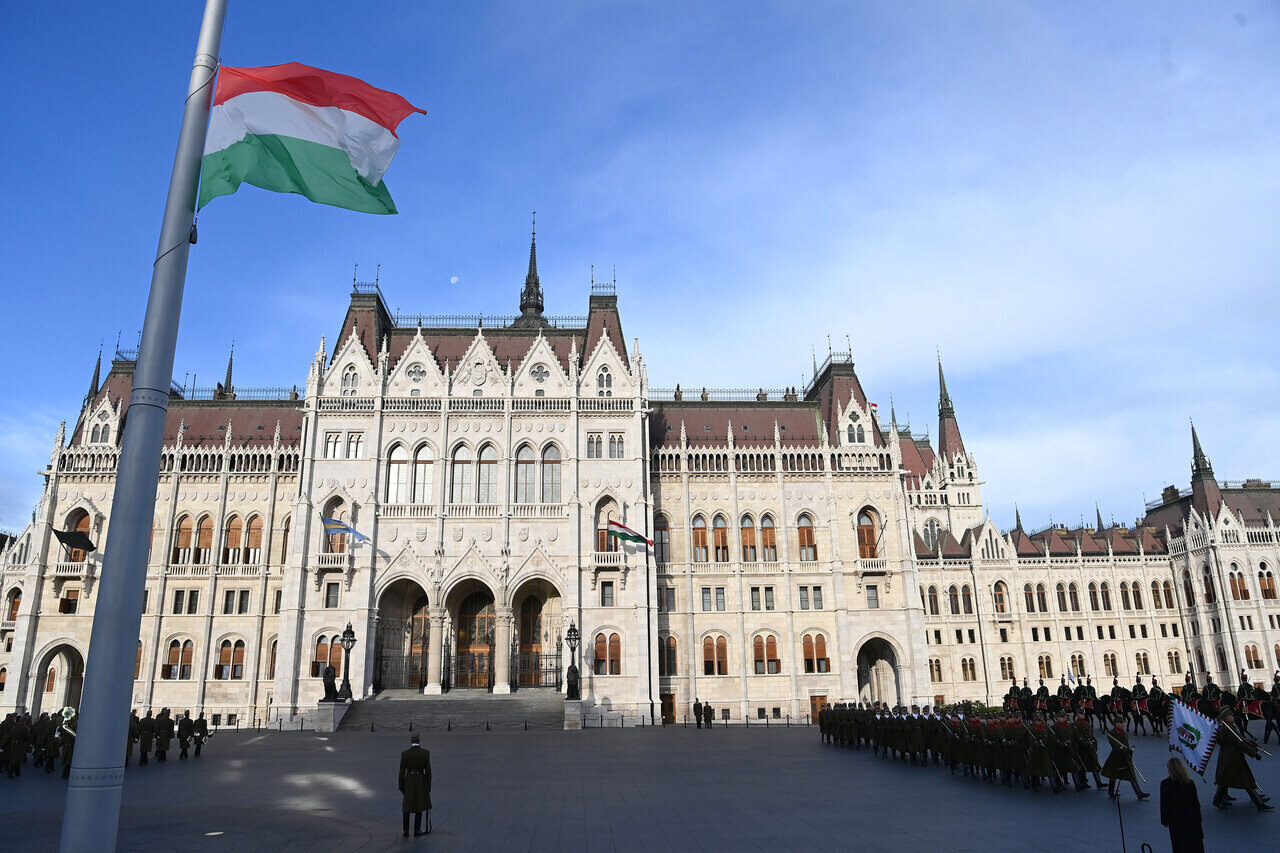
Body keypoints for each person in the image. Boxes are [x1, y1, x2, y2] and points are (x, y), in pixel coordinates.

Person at [1211, 708, 1273, 811]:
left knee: (1238, 780)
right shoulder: (1227, 729)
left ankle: (1258, 802)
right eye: (1231, 715)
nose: (1233, 717)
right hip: (1231, 758)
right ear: (1226, 718)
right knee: (1239, 781)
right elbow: (1239, 743)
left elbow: (1240, 741)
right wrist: (1253, 753)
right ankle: (1259, 804)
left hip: (1233, 757)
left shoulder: (1228, 727)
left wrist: (1253, 748)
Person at [1161, 757, 1204, 853]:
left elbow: (1165, 804)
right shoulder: (1190, 783)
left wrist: (1165, 820)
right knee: (1194, 845)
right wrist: (1198, 819)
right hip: (1191, 818)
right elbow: (1195, 803)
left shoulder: (1166, 784)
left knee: (1180, 846)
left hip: (1176, 820)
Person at [1101, 720, 1149, 800]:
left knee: (1131, 774)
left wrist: (1128, 750)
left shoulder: (1125, 734)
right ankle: (1111, 791)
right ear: (1116, 724)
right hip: (1116, 757)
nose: (1122, 724)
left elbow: (1126, 744)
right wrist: (1123, 749)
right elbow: (1114, 745)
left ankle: (1139, 793)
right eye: (1120, 722)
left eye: (1122, 723)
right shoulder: (1111, 734)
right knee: (1113, 775)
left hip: (1125, 757)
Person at [398, 733, 432, 837]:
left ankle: (406, 830)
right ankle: (417, 829)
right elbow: (429, 772)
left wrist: (402, 787)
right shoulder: (425, 753)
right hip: (420, 780)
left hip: (409, 781)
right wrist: (428, 787)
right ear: (419, 740)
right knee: (419, 805)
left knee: (406, 807)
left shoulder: (405, 754)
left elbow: (401, 772)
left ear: (411, 741)